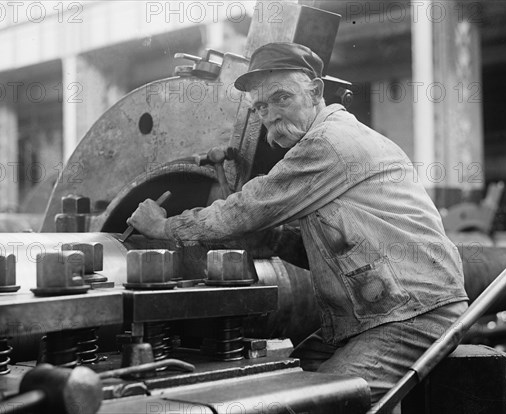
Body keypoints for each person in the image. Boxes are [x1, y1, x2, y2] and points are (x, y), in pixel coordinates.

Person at [127, 42, 469, 402]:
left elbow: (246, 207)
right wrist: (271, 240)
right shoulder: (332, 144)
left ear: (316, 91)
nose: (270, 115)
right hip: (375, 313)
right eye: (260, 107)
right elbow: (342, 250)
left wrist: (166, 228)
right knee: (286, 382)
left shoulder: (329, 143)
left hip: (411, 314)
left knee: (316, 403)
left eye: (281, 98)